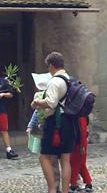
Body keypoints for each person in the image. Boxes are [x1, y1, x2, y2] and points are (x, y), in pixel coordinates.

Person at [31, 52, 75, 193]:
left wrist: (37, 102)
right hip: (68, 121)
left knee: (44, 156)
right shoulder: (68, 78)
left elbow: (50, 102)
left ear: (51, 65)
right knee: (65, 158)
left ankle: (51, 189)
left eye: (48, 66)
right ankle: (65, 190)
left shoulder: (55, 81)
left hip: (55, 123)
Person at [27, 73, 61, 193]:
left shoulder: (48, 95)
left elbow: (37, 111)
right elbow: (35, 112)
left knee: (50, 157)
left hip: (50, 128)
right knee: (54, 158)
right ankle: (56, 185)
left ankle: (55, 186)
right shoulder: (45, 95)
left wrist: (31, 125)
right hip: (48, 128)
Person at [69, 114, 92, 193]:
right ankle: (88, 183)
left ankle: (73, 185)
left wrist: (81, 145)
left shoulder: (80, 116)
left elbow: (82, 131)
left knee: (75, 164)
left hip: (79, 143)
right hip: (79, 142)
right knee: (81, 164)